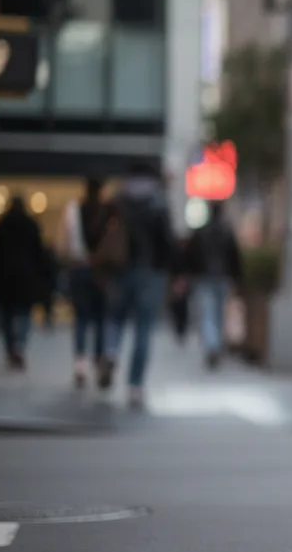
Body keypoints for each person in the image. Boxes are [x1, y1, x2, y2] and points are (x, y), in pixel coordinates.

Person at [101, 164, 176, 407]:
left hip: (120, 269)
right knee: (143, 329)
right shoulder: (158, 202)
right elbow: (167, 241)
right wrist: (173, 273)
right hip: (150, 272)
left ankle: (110, 351)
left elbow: (100, 234)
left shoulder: (118, 199)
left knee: (115, 317)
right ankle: (135, 386)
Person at [0, 196, 49, 369]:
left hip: (5, 277)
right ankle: (19, 346)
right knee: (24, 314)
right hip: (25, 277)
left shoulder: (2, 225)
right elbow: (39, 253)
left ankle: (10, 347)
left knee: (7, 315)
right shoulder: (30, 225)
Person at [61, 177, 109, 387]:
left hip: (79, 268)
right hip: (101, 271)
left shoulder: (73, 210)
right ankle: (98, 360)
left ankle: (80, 363)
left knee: (81, 317)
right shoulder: (107, 212)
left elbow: (63, 245)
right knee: (100, 318)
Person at [182, 203, 242, 369]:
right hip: (222, 278)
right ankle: (215, 345)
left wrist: (190, 274)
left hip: (204, 278)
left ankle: (212, 346)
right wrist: (236, 278)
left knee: (208, 314)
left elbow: (190, 255)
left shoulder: (201, 232)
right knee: (219, 314)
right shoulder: (227, 231)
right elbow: (235, 256)